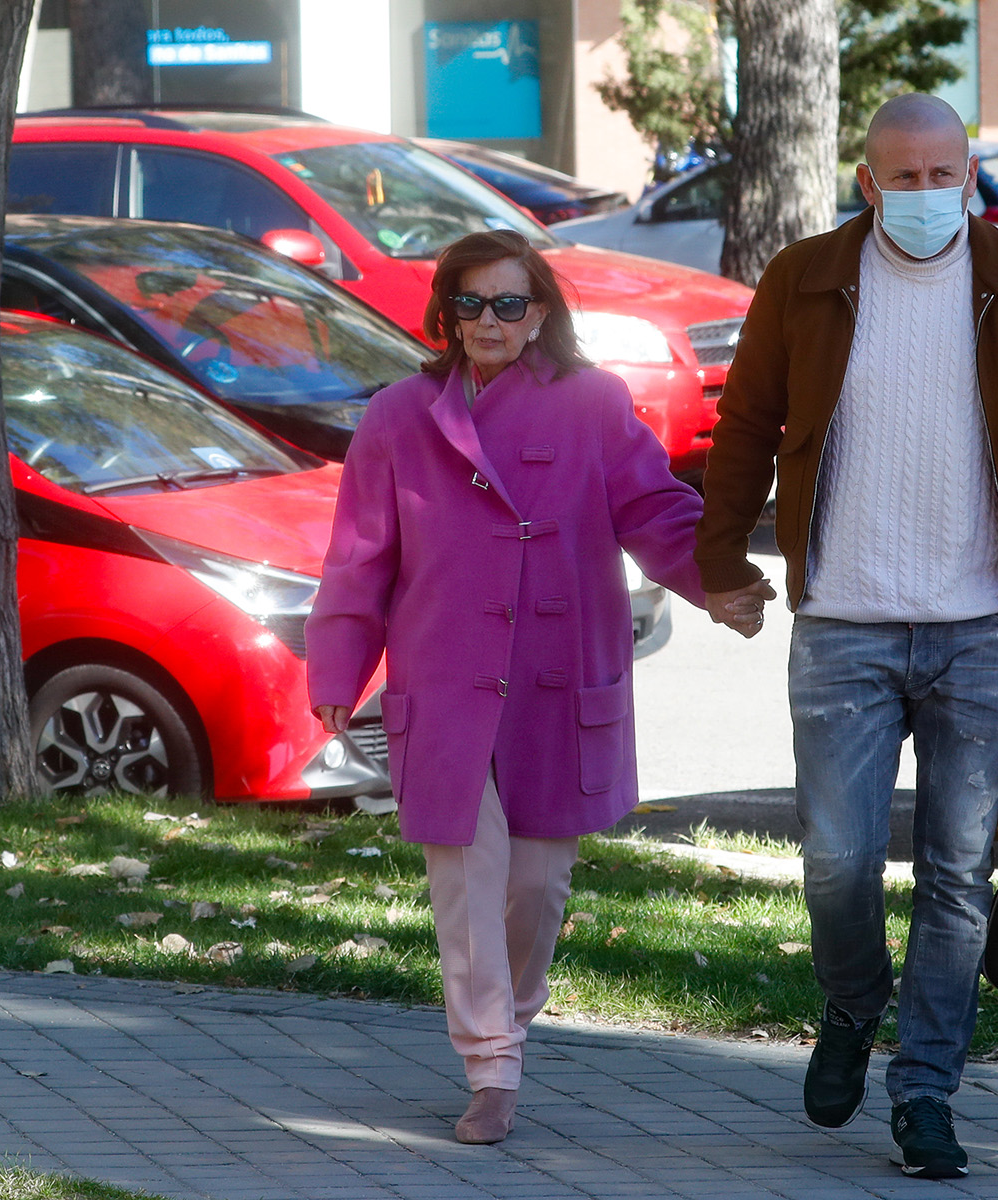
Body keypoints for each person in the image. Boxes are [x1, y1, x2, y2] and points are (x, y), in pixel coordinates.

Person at [694, 95, 998, 1178]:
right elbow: (747, 420)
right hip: (843, 620)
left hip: (981, 624)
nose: (934, 194)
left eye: (951, 175)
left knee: (955, 874)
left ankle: (927, 1091)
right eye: (910, 176)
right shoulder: (802, 278)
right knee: (835, 861)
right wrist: (719, 567)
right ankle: (854, 1004)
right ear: (869, 183)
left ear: (972, 176)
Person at [305, 229, 752, 1145]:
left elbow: (654, 508)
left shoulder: (592, 403)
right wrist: (339, 668)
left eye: (509, 303)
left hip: (557, 681)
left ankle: (510, 1019)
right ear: (445, 314)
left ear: (540, 313)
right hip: (444, 679)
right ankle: (491, 1063)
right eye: (469, 303)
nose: (488, 321)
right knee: (467, 877)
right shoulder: (398, 415)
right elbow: (358, 556)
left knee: (537, 887)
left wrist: (724, 583)